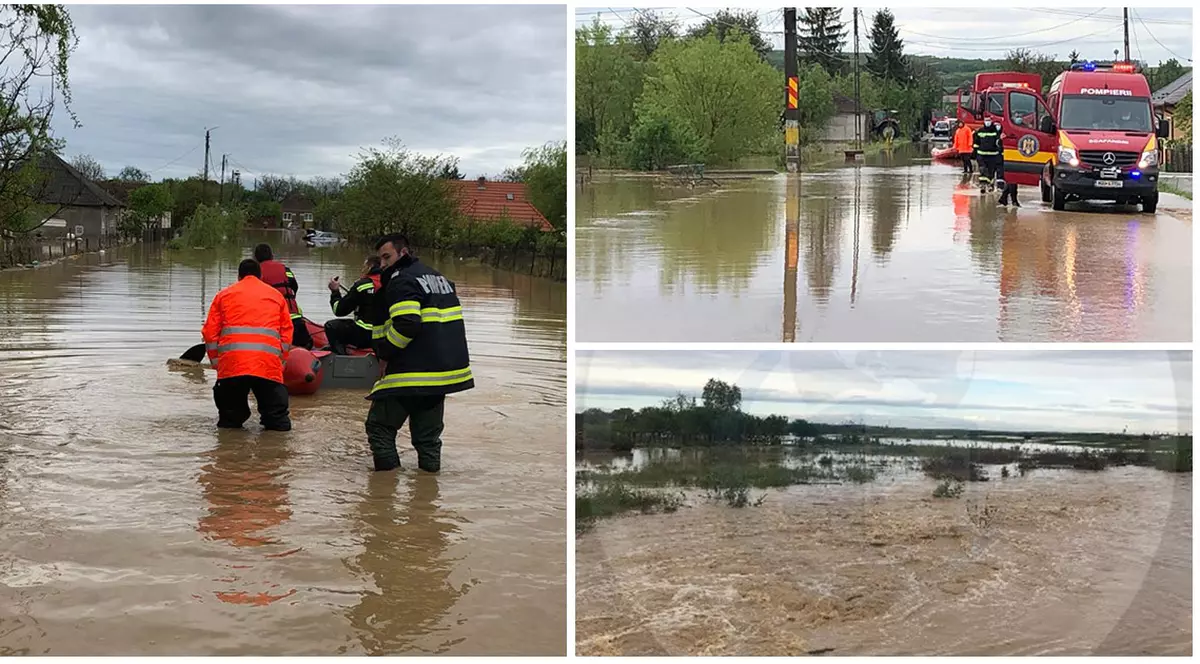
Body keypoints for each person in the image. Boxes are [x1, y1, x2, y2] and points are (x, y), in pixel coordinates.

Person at [365, 233, 474, 473]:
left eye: (386, 257)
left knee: (380, 428)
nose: (382, 264)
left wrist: (385, 354)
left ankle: (384, 491)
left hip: (410, 371)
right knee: (428, 439)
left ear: (403, 253)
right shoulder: (440, 279)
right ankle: (427, 493)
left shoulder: (402, 280)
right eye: (380, 259)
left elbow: (407, 324)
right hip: (443, 373)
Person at [202, 258, 294, 431]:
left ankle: (230, 452)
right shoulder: (276, 296)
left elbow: (210, 332)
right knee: (277, 421)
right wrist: (280, 360)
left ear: (239, 276)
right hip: (267, 364)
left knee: (230, 421)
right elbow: (287, 332)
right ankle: (276, 453)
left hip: (233, 364)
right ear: (260, 276)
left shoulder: (224, 295)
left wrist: (216, 363)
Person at [253, 243, 311, 350]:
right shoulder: (285, 269)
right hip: (296, 320)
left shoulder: (256, 273)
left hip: (274, 324)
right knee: (306, 345)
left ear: (255, 258)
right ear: (272, 256)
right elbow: (295, 286)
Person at [325, 255, 383, 355]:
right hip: (385, 336)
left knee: (331, 326)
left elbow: (339, 310)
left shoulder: (361, 285)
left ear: (370, 266)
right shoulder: (392, 283)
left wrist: (335, 292)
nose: (362, 269)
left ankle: (341, 357)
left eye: (364, 266)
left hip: (365, 334)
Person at [973, 118, 1004, 194]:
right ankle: (983, 185)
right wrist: (974, 153)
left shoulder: (995, 132)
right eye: (986, 120)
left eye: (989, 120)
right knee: (983, 170)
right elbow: (976, 142)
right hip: (981, 154)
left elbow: (998, 143)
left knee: (991, 172)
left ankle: (990, 185)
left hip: (992, 155)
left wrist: (1000, 149)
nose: (987, 122)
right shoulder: (980, 131)